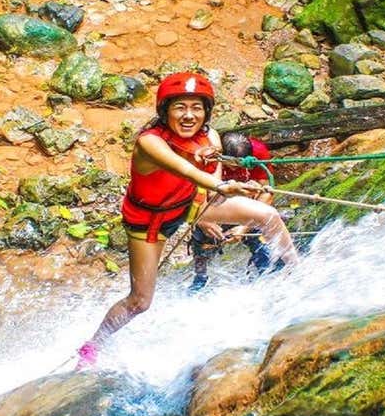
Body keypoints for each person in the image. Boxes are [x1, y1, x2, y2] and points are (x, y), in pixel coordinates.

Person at [76, 72, 302, 368]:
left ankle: (298, 275)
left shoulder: (210, 137)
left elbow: (211, 180)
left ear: (206, 111)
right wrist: (217, 187)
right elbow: (185, 170)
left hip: (189, 203)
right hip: (150, 221)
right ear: (165, 111)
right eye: (179, 107)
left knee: (267, 215)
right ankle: (93, 346)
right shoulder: (149, 142)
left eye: (196, 108)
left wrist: (214, 199)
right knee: (140, 302)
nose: (188, 115)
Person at [188, 132, 280, 291]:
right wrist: (202, 220)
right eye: (234, 164)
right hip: (211, 202)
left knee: (258, 238)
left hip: (245, 201)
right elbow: (188, 192)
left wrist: (245, 227)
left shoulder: (258, 153)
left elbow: (266, 192)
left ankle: (266, 273)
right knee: (202, 240)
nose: (238, 168)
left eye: (242, 164)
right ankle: (200, 277)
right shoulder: (206, 156)